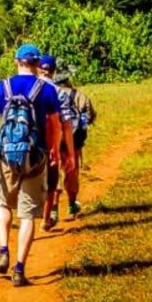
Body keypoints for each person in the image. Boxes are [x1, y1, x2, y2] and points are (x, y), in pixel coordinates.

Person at [0, 44, 69, 287]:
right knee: (29, 214)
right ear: (37, 63)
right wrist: (54, 150)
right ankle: (19, 268)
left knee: (2, 203)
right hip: (35, 156)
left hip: (7, 157)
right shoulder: (47, 89)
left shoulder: (2, 87)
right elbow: (55, 125)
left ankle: (3, 250)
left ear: (16, 61)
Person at [42, 58, 97, 219]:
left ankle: (53, 208)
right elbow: (90, 116)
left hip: (53, 139)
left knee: (54, 170)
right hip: (73, 140)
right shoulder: (79, 96)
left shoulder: (47, 92)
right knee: (71, 170)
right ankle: (72, 205)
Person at [37, 55, 77, 231]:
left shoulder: (27, 87)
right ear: (54, 72)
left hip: (30, 142)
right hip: (52, 143)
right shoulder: (59, 92)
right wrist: (70, 153)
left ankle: (28, 220)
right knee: (50, 183)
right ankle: (45, 219)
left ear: (38, 69)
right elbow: (66, 126)